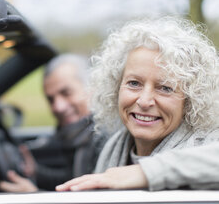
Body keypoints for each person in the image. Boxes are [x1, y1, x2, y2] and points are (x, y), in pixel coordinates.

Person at [56, 16, 219, 191]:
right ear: (116, 86)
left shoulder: (206, 144)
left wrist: (144, 173)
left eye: (165, 88)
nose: (144, 101)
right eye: (134, 83)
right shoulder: (114, 147)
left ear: (190, 101)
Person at [0, 54, 109, 192]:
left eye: (66, 93)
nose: (57, 107)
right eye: (51, 99)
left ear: (93, 88)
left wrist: (34, 196)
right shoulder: (81, 134)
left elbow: (94, 199)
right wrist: (37, 173)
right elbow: (74, 180)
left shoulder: (105, 138)